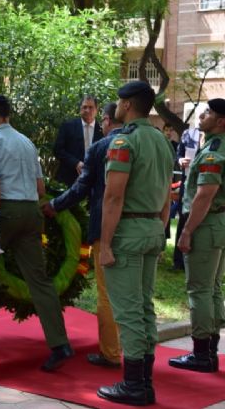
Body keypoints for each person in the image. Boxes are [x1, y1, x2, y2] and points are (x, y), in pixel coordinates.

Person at [0, 95, 74, 372]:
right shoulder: (27, 143)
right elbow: (41, 188)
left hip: (5, 211)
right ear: (7, 115)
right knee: (39, 280)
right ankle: (59, 343)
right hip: (31, 213)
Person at [96, 82, 174, 406]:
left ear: (127, 105)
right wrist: (161, 227)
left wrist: (106, 244)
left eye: (119, 100)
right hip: (153, 228)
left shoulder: (123, 141)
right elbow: (168, 194)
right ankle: (145, 382)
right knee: (144, 308)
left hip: (127, 232)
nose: (116, 104)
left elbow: (113, 197)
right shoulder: (162, 140)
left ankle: (134, 386)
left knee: (127, 312)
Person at [42, 102, 123, 369]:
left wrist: (54, 205)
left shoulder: (102, 147)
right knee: (137, 294)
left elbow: (82, 189)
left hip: (107, 228)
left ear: (108, 120)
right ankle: (140, 357)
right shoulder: (155, 142)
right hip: (143, 230)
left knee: (107, 293)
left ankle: (111, 353)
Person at [168, 98, 225, 374]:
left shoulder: (214, 151)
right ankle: (210, 350)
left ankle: (202, 353)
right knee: (212, 288)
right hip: (218, 223)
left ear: (221, 121)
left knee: (200, 289)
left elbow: (204, 196)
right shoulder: (215, 147)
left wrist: (187, 231)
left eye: (209, 112)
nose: (203, 115)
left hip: (206, 223)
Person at [172, 124, 204, 271]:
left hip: (205, 184)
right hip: (187, 182)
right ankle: (178, 262)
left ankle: (197, 259)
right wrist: (180, 161)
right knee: (183, 218)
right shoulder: (188, 134)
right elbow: (178, 154)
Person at [53, 95, 104, 187]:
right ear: (80, 109)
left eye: (91, 107)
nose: (87, 110)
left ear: (96, 109)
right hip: (68, 179)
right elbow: (58, 150)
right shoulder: (68, 126)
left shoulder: (102, 130)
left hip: (93, 181)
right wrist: (76, 163)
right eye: (84, 107)